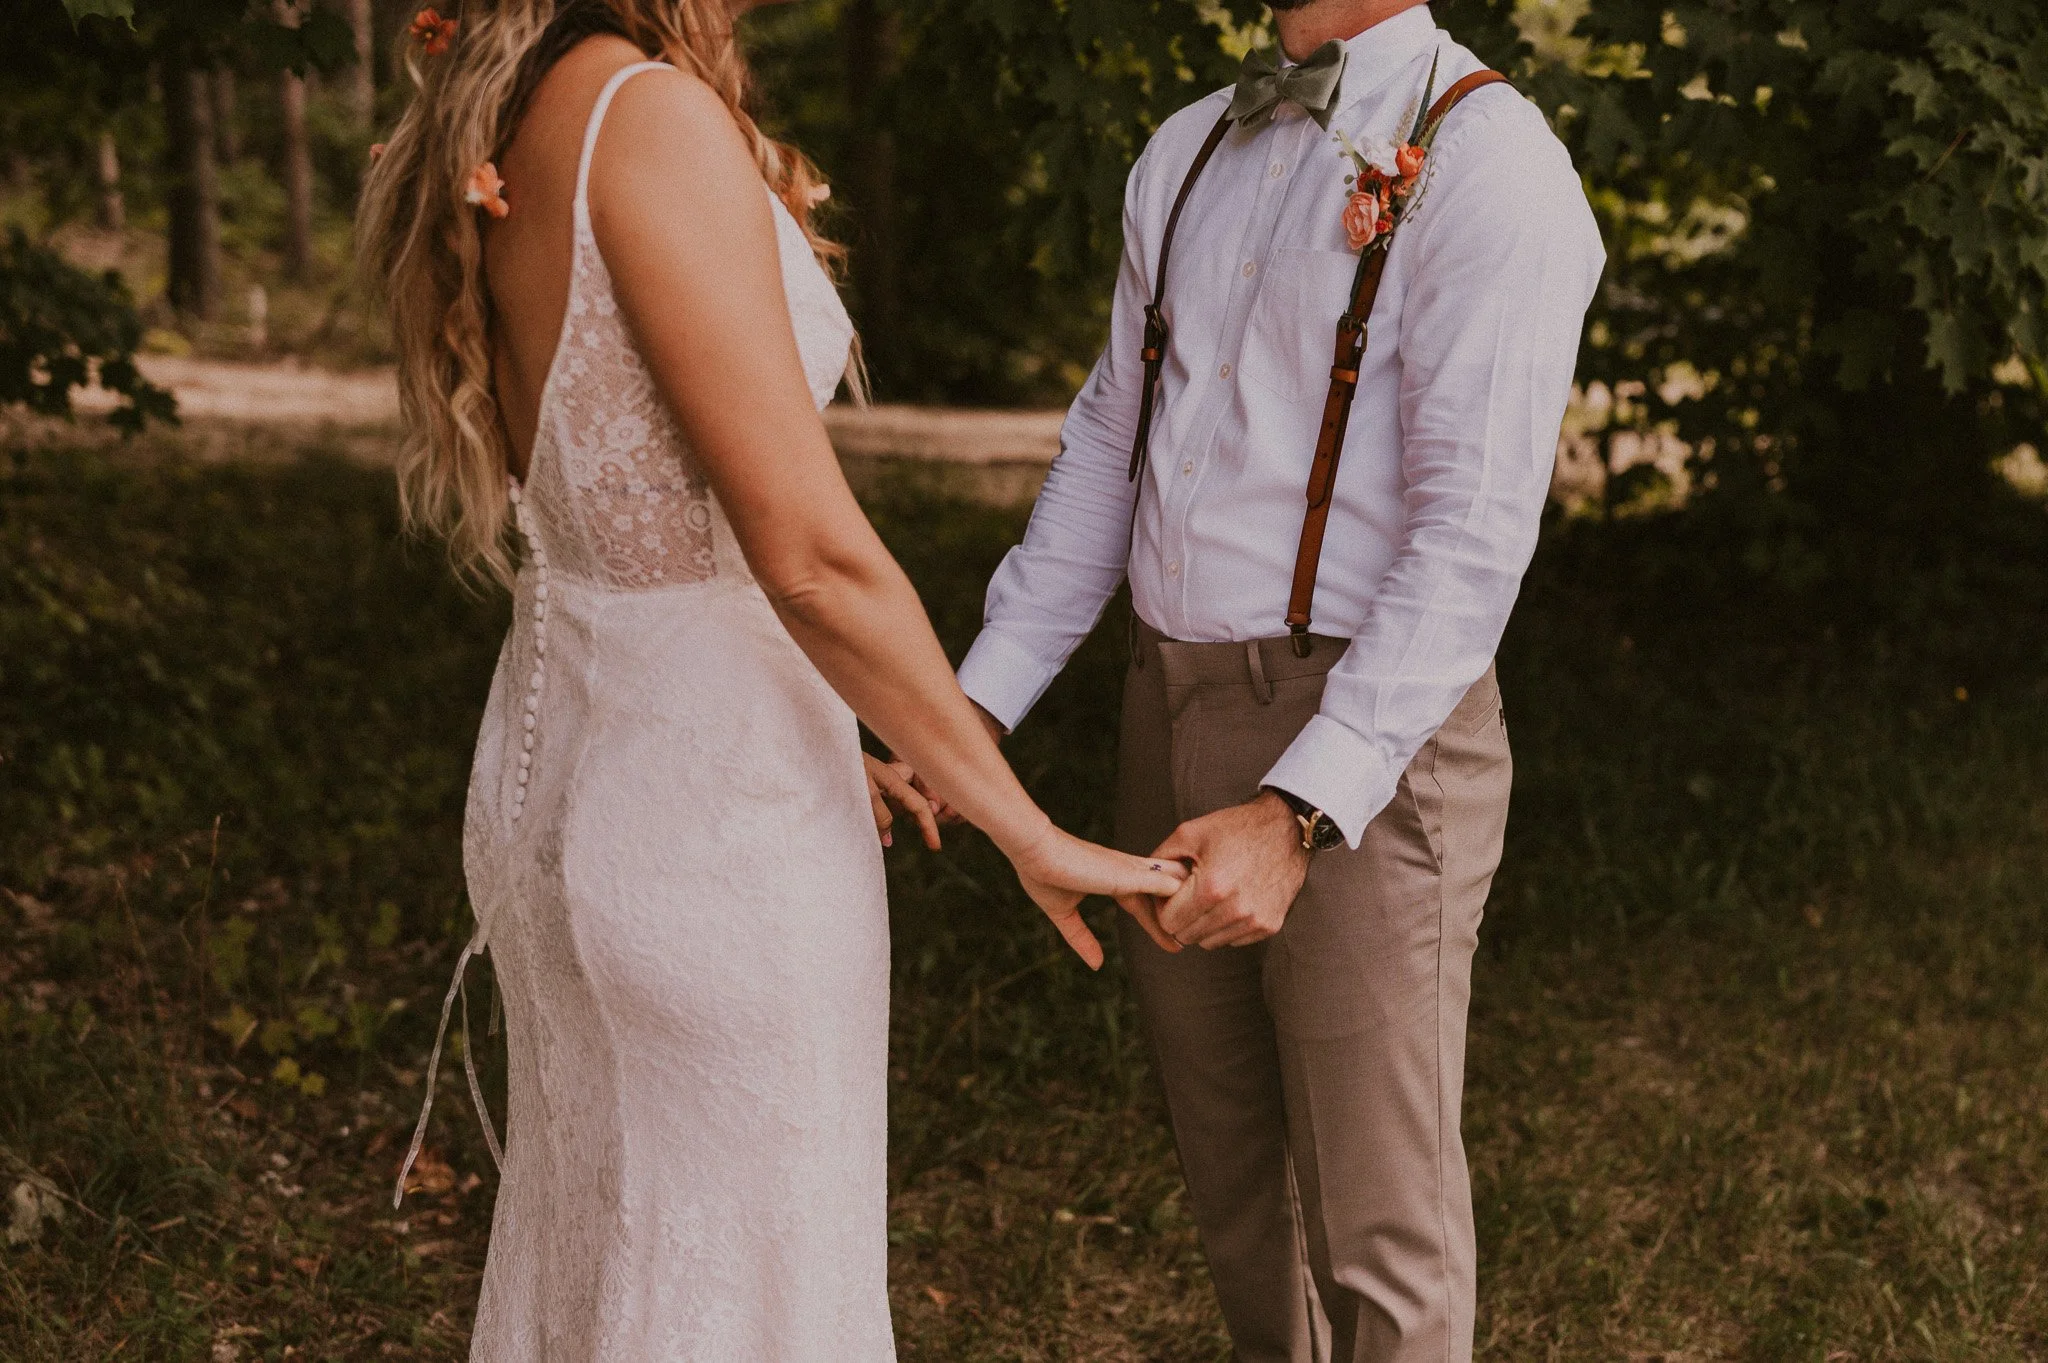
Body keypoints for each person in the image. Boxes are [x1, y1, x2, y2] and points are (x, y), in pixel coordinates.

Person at [355, 1, 1184, 1357]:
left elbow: (636, 524)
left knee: (609, 1255)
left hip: (567, 763)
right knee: (751, 1287)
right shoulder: (650, 121)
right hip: (706, 815)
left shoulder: (511, 109)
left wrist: (810, 729)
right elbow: (809, 557)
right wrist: (1024, 826)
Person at [923, 1, 1606, 1358]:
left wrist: (1297, 811)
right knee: (1235, 1191)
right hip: (1163, 709)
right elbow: (1104, 455)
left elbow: (1470, 539)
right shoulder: (1183, 150)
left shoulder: (1492, 161)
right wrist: (959, 721)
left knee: (1377, 1224)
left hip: (1367, 739)